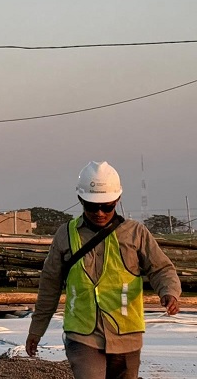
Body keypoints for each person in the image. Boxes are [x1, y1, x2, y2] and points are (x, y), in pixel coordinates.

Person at [25, 161, 181, 379]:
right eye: (92, 206)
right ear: (80, 200)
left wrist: (169, 292)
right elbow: (49, 285)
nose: (99, 212)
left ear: (117, 200)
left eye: (106, 206)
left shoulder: (135, 234)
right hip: (82, 335)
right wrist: (36, 329)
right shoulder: (65, 235)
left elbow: (161, 268)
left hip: (126, 334)